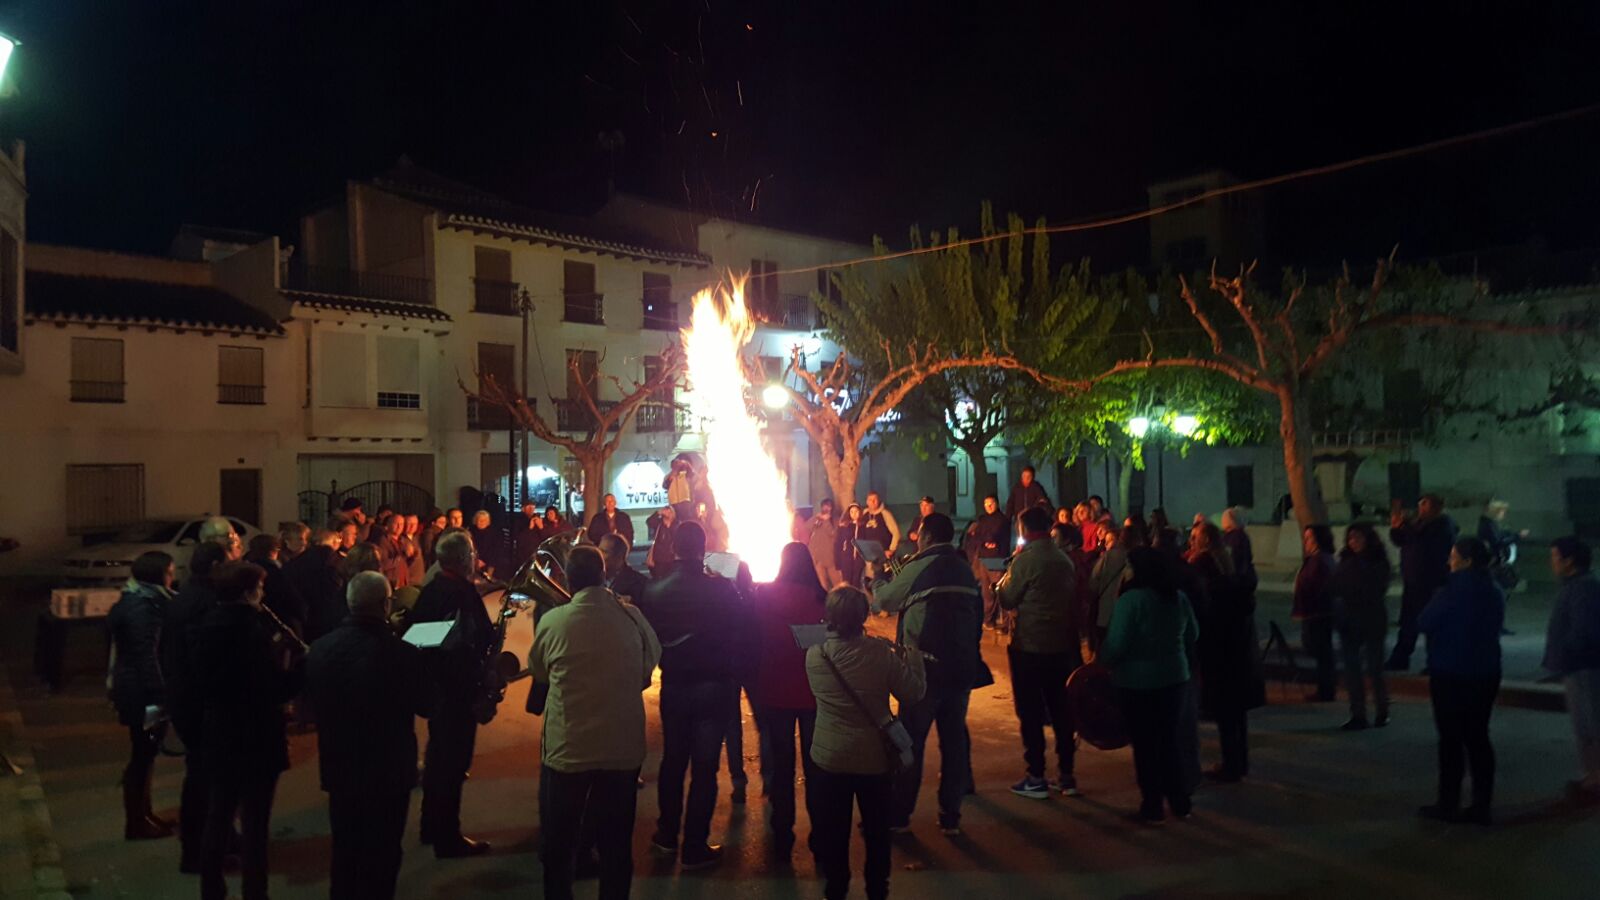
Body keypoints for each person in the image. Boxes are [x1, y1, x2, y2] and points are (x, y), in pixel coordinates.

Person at [530, 545, 661, 900]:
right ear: (604, 575)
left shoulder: (552, 622)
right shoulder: (631, 616)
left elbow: (540, 671)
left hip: (568, 748)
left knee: (560, 844)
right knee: (616, 844)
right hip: (621, 749)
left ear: (569, 581)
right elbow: (649, 667)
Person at [305, 572, 432, 900]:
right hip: (389, 770)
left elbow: (309, 706)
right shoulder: (402, 653)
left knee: (345, 848)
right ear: (385, 604)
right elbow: (427, 704)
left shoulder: (319, 649)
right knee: (384, 852)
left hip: (340, 765)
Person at [636, 522, 755, 869]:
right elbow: (742, 628)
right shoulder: (720, 590)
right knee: (704, 769)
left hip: (673, 685)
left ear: (674, 547)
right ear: (703, 549)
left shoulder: (655, 591)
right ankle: (694, 846)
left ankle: (666, 835)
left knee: (673, 763)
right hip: (712, 685)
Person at [807, 587, 926, 900]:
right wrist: (913, 659)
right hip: (874, 760)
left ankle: (836, 888)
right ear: (863, 617)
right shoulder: (880, 655)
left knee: (835, 831)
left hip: (829, 758)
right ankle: (877, 890)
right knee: (876, 832)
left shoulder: (815, 655)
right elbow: (913, 693)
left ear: (829, 617)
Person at [193, 562, 303, 900]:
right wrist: (296, 668)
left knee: (219, 813)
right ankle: (255, 892)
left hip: (219, 732)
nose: (264, 593)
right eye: (259, 588)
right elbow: (272, 689)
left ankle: (211, 888)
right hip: (255, 735)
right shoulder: (252, 633)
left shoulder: (206, 626)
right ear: (246, 593)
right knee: (256, 823)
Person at [870, 514, 984, 833]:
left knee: (909, 744)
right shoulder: (963, 568)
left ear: (927, 536)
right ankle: (951, 817)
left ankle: (899, 816)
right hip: (961, 669)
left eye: (920, 534)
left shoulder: (921, 566)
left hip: (924, 671)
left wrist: (877, 576)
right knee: (954, 742)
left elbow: (884, 600)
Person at [1098, 547, 1200, 824]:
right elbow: (1194, 633)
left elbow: (1116, 644)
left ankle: (1152, 805)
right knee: (1168, 742)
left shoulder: (1132, 601)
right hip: (1175, 679)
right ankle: (1180, 802)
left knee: (1145, 746)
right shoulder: (1177, 597)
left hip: (1137, 682)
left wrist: (1101, 662)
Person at [409, 531, 494, 857]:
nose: (475, 557)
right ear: (462, 559)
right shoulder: (460, 593)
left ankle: (431, 826)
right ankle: (448, 837)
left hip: (437, 689)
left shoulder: (431, 590)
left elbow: (415, 637)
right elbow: (477, 638)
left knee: (437, 760)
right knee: (453, 764)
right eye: (472, 552)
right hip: (456, 690)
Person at [998, 507, 1084, 799]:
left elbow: (1008, 597)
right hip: (1060, 646)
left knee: (1031, 712)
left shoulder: (1026, 560)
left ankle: (1036, 774)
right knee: (1062, 710)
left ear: (1023, 529)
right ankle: (1067, 774)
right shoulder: (1063, 559)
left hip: (1030, 646)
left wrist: (1005, 577)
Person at [1417, 538, 1504, 825]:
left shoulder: (1450, 592)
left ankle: (1448, 802)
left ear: (1466, 560)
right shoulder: (1493, 590)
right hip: (1485, 671)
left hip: (1450, 672)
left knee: (1451, 741)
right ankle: (1482, 804)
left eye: (1453, 556)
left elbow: (1424, 622)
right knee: (1478, 737)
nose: (1449, 561)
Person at [748, 543, 828, 854]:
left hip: (775, 690)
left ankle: (782, 834)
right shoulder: (822, 599)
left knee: (782, 768)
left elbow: (753, 637)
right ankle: (820, 836)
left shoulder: (764, 595)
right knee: (816, 766)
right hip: (812, 692)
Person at [160, 539, 232, 872]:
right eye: (229, 559)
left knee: (206, 776)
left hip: (185, 699)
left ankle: (216, 840)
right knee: (204, 779)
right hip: (202, 704)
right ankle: (197, 852)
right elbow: (208, 660)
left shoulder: (184, 597)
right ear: (216, 566)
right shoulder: (207, 603)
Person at [108, 551, 178, 840]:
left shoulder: (138, 599)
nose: (173, 576)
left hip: (135, 688)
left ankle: (144, 815)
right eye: (170, 571)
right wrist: (159, 695)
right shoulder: (143, 606)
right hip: (140, 693)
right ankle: (137, 822)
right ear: (158, 574)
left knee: (144, 754)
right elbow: (145, 654)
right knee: (142, 755)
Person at [1187, 523, 1263, 781]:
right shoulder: (1228, 563)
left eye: (1195, 536)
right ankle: (1239, 761)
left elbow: (1201, 605)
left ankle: (1231, 765)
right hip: (1237, 648)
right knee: (1236, 712)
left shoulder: (1204, 565)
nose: (1191, 541)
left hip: (1220, 648)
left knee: (1226, 711)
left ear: (1205, 540)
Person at [1544, 537, 1600, 806]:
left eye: (1555, 557)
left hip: (1583, 667)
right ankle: (1591, 776)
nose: (1552, 562)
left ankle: (1595, 778)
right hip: (1578, 665)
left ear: (1569, 561)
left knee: (1589, 723)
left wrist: (1564, 653)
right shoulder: (1578, 586)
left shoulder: (1582, 589)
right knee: (1586, 724)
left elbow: (1584, 631)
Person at [1331, 523, 1393, 730]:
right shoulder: (1346, 560)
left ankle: (1382, 710)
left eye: (1358, 538)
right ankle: (1358, 713)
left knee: (1375, 668)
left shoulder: (1377, 561)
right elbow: (1335, 585)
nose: (1354, 542)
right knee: (1352, 670)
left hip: (1371, 619)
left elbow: (1376, 588)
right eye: (1351, 538)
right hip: (1349, 621)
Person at [1389, 494, 1459, 671]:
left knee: (1431, 624)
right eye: (1420, 504)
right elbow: (1402, 540)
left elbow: (1423, 541)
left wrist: (1406, 527)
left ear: (1436, 508)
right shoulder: (1418, 524)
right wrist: (1397, 527)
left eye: (1425, 505)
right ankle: (1400, 658)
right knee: (1407, 624)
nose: (1421, 508)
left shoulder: (1442, 526)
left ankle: (1434, 662)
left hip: (1430, 583)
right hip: (1413, 582)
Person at [1294, 525, 1338, 703]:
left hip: (1317, 613)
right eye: (1305, 538)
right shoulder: (1318, 559)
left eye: (1310, 538)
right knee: (1320, 651)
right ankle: (1325, 687)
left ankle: (1326, 689)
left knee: (1321, 651)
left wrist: (1307, 607)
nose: (1306, 542)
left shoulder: (1320, 560)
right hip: (1316, 612)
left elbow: (1317, 587)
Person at [286, 529, 346, 644]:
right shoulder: (334, 562)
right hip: (328, 618)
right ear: (334, 543)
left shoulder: (296, 562)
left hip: (303, 618)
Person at [967, 494, 1010, 630]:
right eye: (986, 504)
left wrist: (989, 540)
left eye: (991, 503)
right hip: (983, 559)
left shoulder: (1002, 520)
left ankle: (1004, 621)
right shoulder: (983, 519)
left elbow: (995, 535)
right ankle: (988, 619)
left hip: (997, 559)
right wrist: (984, 541)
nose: (988, 506)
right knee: (986, 592)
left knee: (998, 590)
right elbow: (976, 536)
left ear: (996, 503)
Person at [1088, 525, 1132, 650]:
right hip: (1125, 614)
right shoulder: (1134, 557)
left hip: (1106, 611)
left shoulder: (1107, 558)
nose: (1106, 544)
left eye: (1109, 540)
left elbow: (1093, 582)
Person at [598, 533, 648, 603]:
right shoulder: (594, 578)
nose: (599, 555)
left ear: (619, 556)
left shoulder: (638, 583)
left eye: (604, 552)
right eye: (598, 551)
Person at [807, 499, 843, 588]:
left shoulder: (836, 520)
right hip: (818, 558)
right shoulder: (817, 518)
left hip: (831, 558)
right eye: (824, 506)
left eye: (829, 506)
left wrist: (826, 521)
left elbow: (833, 534)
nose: (826, 508)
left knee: (838, 584)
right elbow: (807, 528)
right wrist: (816, 519)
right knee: (822, 586)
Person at [372, 513, 411, 590]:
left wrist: (411, 554)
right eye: (396, 523)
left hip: (403, 581)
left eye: (402, 524)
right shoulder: (382, 541)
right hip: (391, 582)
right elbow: (382, 563)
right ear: (388, 525)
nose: (399, 527)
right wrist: (400, 557)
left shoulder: (404, 541)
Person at [858, 492, 900, 560]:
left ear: (878, 500)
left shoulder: (885, 514)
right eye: (870, 500)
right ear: (867, 502)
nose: (873, 502)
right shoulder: (864, 514)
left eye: (875, 499)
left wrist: (891, 549)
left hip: (883, 554)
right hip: (868, 555)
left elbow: (896, 533)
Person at [468, 510, 505, 579]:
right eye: (480, 520)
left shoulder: (495, 533)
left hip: (490, 563)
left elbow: (497, 551)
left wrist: (487, 563)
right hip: (474, 561)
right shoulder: (470, 532)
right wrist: (476, 560)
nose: (482, 522)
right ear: (475, 521)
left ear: (488, 522)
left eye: (484, 520)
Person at [838, 503, 866, 589]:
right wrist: (838, 562)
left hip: (858, 559)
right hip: (846, 559)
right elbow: (838, 543)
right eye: (852, 512)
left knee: (856, 582)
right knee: (846, 582)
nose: (854, 514)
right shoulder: (844, 526)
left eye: (856, 511)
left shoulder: (863, 526)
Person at [645, 505, 677, 578]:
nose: (668, 513)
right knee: (659, 577)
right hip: (659, 557)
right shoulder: (658, 523)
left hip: (672, 557)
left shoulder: (676, 524)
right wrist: (658, 513)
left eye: (670, 511)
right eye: (666, 511)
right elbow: (649, 522)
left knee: (670, 578)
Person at [513, 502, 545, 570]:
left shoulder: (536, 518)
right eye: (529, 508)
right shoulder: (518, 520)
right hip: (524, 552)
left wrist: (541, 527)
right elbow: (519, 538)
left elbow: (544, 536)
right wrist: (530, 528)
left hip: (537, 550)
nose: (531, 510)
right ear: (523, 509)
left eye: (532, 508)